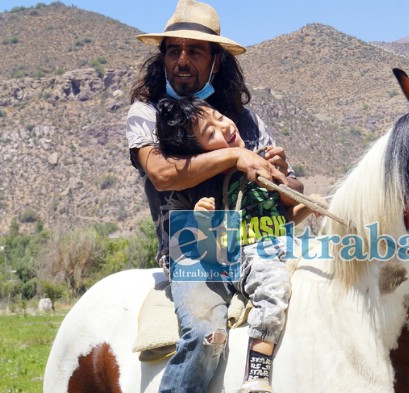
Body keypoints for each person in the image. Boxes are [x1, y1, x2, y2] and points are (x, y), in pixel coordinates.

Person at [125, 0, 303, 392]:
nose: (182, 60)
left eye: (195, 51)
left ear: (216, 61)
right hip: (193, 246)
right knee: (209, 335)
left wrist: (284, 175)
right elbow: (161, 173)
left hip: (260, 242)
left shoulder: (245, 122)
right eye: (174, 50)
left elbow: (291, 194)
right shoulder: (147, 112)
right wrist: (237, 156)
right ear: (164, 58)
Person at [155, 96, 316, 392]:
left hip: (276, 243)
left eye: (219, 116)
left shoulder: (255, 155)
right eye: (210, 133)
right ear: (198, 152)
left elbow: (284, 208)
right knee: (208, 331)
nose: (224, 127)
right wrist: (201, 219)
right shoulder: (204, 182)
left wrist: (284, 177)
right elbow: (203, 243)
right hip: (224, 256)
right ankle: (256, 369)